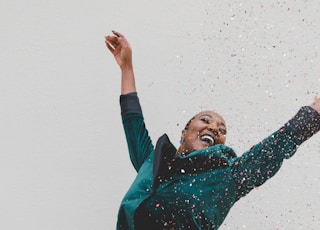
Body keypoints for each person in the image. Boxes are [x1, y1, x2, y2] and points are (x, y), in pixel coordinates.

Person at [105, 31, 320, 230]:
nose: (213, 127)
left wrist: (315, 112)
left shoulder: (227, 178)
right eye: (205, 120)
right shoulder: (152, 164)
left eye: (221, 129)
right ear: (184, 132)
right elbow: (133, 121)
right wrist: (127, 67)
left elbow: (274, 149)